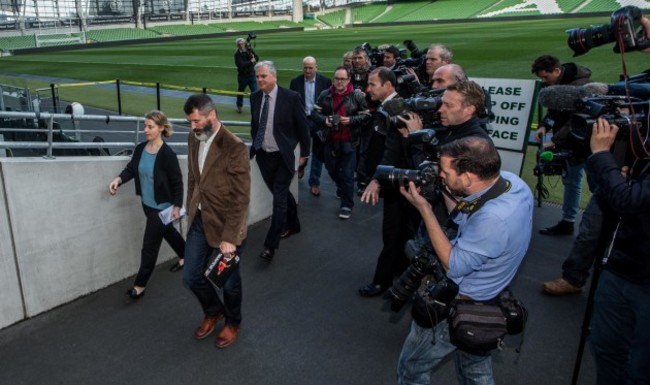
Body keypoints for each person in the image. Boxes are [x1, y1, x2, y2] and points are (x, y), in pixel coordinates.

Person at [397, 136, 534, 385]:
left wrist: (425, 209)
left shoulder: (494, 219)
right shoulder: (513, 184)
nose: (441, 175)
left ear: (469, 176)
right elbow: (464, 216)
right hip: (489, 296)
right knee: (475, 371)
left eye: (446, 172)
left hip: (461, 299)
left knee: (412, 367)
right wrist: (446, 189)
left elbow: (454, 264)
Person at [182, 94, 251, 348]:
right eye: (190, 121)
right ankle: (214, 310)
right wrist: (189, 209)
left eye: (196, 120)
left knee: (230, 283)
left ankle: (233, 322)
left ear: (212, 115)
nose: (192, 126)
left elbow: (241, 198)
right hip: (201, 219)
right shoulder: (193, 138)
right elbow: (193, 179)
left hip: (227, 225)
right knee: (190, 276)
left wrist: (230, 238)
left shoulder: (234, 146)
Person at [587, 118, 650, 385]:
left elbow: (629, 201)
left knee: (640, 369)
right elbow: (615, 197)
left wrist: (601, 154)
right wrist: (614, 175)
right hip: (621, 267)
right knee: (605, 348)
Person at [358, 67, 422, 296]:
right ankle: (398, 275)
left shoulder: (399, 110)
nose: (368, 89)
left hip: (398, 185)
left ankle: (382, 282)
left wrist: (377, 180)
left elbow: (392, 151)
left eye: (372, 84)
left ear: (388, 85)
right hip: (396, 184)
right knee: (400, 234)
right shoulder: (388, 108)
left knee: (393, 233)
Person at [108, 110, 186, 299]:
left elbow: (177, 182)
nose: (146, 130)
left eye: (150, 127)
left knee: (149, 247)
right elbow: (131, 169)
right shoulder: (141, 148)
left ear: (161, 128)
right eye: (145, 126)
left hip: (162, 208)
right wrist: (119, 179)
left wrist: (176, 206)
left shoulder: (167, 154)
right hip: (147, 204)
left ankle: (140, 285)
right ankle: (187, 256)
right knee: (168, 232)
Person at [250, 61, 310, 262]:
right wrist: (255, 147)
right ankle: (295, 224)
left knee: (279, 200)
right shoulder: (255, 97)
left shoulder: (291, 98)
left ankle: (270, 245)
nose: (260, 80)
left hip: (284, 156)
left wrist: (305, 154)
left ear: (274, 76)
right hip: (263, 157)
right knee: (281, 194)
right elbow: (255, 125)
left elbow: (303, 128)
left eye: (263, 76)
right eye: (258, 76)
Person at [532, 54, 592, 236]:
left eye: (546, 77)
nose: (544, 81)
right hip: (571, 142)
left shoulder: (580, 87)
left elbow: (575, 119)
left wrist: (554, 140)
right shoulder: (559, 85)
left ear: (557, 71)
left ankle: (596, 227)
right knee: (572, 181)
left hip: (587, 142)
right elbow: (555, 111)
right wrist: (544, 125)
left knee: (596, 185)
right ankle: (569, 221)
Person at [311, 66, 371, 218]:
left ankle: (346, 205)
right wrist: (325, 120)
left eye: (342, 79)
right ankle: (342, 188)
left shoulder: (357, 96)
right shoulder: (325, 94)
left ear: (348, 80)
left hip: (349, 141)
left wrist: (350, 120)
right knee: (331, 170)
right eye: (337, 78)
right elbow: (314, 113)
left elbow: (366, 116)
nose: (339, 82)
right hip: (330, 140)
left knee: (348, 175)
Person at [289, 56, 332, 197]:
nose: (307, 70)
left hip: (318, 120)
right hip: (302, 120)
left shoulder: (325, 82)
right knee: (302, 148)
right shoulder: (295, 82)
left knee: (318, 152)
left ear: (316, 68)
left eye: (310, 67)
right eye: (305, 67)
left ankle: (314, 182)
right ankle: (301, 166)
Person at [234, 37, 259, 114]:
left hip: (251, 75)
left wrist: (253, 57)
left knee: (255, 93)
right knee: (240, 92)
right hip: (242, 76)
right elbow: (241, 65)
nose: (242, 45)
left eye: (243, 43)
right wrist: (251, 61)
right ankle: (239, 106)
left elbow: (257, 58)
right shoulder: (237, 54)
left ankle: (256, 107)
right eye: (240, 44)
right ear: (237, 45)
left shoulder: (249, 51)